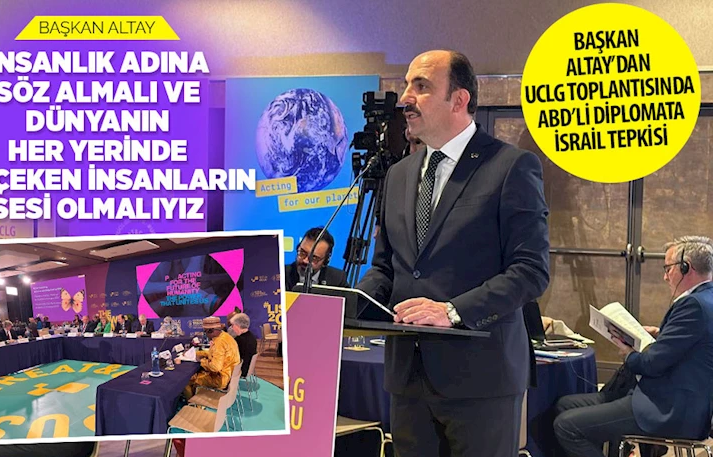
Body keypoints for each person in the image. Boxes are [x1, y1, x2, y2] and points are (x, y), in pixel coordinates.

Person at [355, 50, 550, 457]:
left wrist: (452, 311)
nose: (405, 98)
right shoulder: (398, 175)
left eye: (421, 86)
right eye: (407, 85)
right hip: (408, 379)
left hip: (482, 379)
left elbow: (530, 271)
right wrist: (350, 303)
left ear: (459, 99)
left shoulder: (511, 167)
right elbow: (386, 267)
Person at [554, 236, 713, 457]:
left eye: (668, 268)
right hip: (677, 401)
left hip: (668, 409)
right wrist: (661, 334)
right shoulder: (706, 298)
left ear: (686, 268)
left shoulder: (692, 305)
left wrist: (628, 352)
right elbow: (690, 345)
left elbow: (651, 364)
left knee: (566, 427)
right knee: (565, 405)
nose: (665, 276)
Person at [175, 316, 240, 399]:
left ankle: (193, 403)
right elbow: (214, 354)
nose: (205, 334)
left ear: (210, 331)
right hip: (229, 375)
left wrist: (201, 361)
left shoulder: (219, 343)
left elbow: (215, 367)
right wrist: (196, 353)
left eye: (205, 332)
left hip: (220, 379)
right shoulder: (226, 337)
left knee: (186, 381)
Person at [285, 227, 349, 290]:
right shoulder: (282, 275)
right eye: (302, 253)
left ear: (325, 260)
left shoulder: (338, 280)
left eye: (314, 258)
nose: (305, 261)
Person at [230, 313, 257, 378]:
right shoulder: (252, 337)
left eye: (233, 325)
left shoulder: (239, 340)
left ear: (237, 325)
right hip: (248, 369)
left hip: (240, 371)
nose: (232, 328)